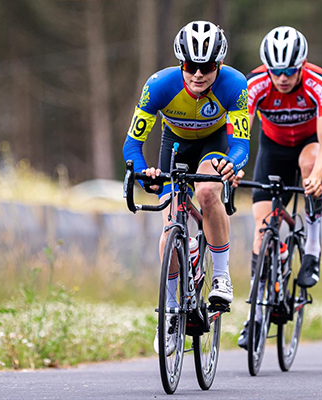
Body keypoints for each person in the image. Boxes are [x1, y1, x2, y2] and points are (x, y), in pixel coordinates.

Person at [122, 21, 250, 355]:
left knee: (207, 191)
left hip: (214, 143)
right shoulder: (159, 86)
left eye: (206, 67)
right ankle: (168, 314)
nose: (197, 75)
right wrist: (142, 172)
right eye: (190, 67)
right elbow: (132, 146)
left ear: (218, 65)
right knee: (169, 227)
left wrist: (230, 165)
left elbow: (242, 146)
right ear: (181, 64)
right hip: (174, 145)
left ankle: (221, 276)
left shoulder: (235, 84)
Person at [236, 26, 322, 349]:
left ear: (302, 65)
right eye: (275, 71)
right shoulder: (255, 83)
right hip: (273, 148)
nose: (282, 77)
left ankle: (312, 247)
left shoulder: (319, 84)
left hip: (310, 145)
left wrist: (318, 176)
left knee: (311, 166)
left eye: (289, 71)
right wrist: (235, 166)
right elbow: (240, 131)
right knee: (261, 227)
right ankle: (253, 317)